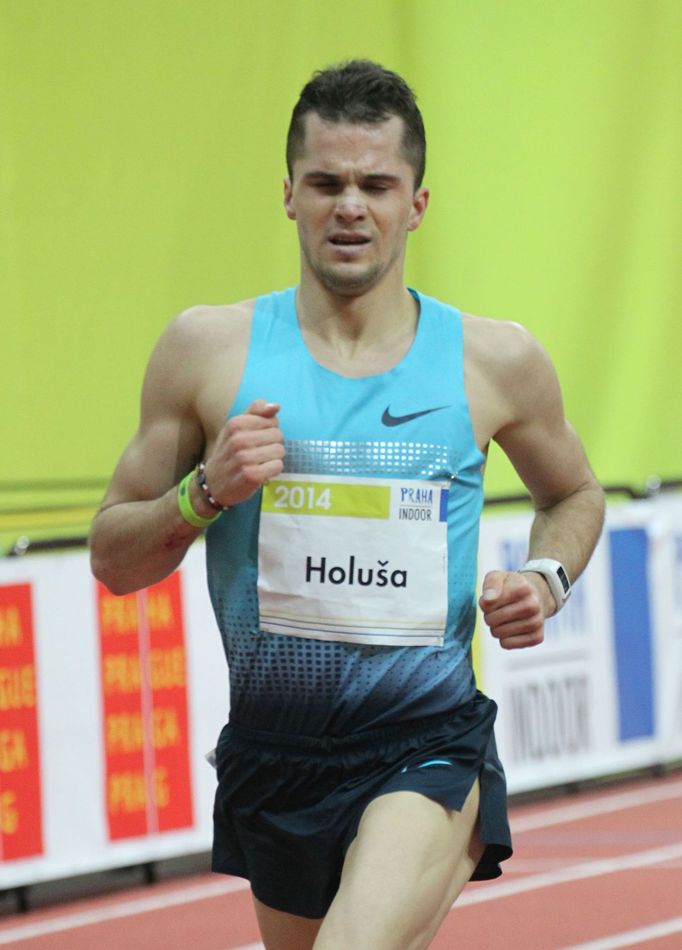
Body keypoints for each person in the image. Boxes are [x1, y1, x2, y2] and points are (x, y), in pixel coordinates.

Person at [90, 59, 605, 950]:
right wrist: (204, 491)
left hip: (425, 744)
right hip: (272, 754)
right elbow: (113, 557)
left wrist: (547, 579)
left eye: (377, 184)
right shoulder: (207, 350)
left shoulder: (493, 361)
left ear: (418, 203)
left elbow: (573, 492)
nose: (350, 206)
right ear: (289, 194)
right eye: (327, 182)